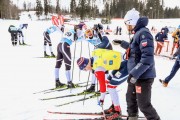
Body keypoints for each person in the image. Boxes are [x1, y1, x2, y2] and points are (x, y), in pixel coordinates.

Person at [113, 8, 160, 120]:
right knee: (130, 99)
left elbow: (147, 58)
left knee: (144, 105)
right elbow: (135, 49)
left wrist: (134, 74)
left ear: (131, 22)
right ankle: (132, 117)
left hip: (143, 76)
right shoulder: (138, 33)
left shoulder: (144, 34)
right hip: (135, 75)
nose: (126, 27)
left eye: (126, 24)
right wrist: (123, 43)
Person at [77, 49, 128, 120]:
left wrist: (101, 99)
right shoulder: (94, 55)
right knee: (109, 83)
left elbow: (102, 86)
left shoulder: (98, 67)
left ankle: (117, 111)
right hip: (120, 65)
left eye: (85, 69)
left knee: (111, 87)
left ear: (86, 65)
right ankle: (114, 107)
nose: (86, 70)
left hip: (126, 66)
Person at [82, 25, 113, 93]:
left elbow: (105, 40)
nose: (89, 34)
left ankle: (106, 86)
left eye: (90, 32)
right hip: (99, 50)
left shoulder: (98, 33)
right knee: (93, 66)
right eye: (87, 33)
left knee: (105, 68)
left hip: (107, 49)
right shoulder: (87, 37)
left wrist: (98, 30)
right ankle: (92, 86)